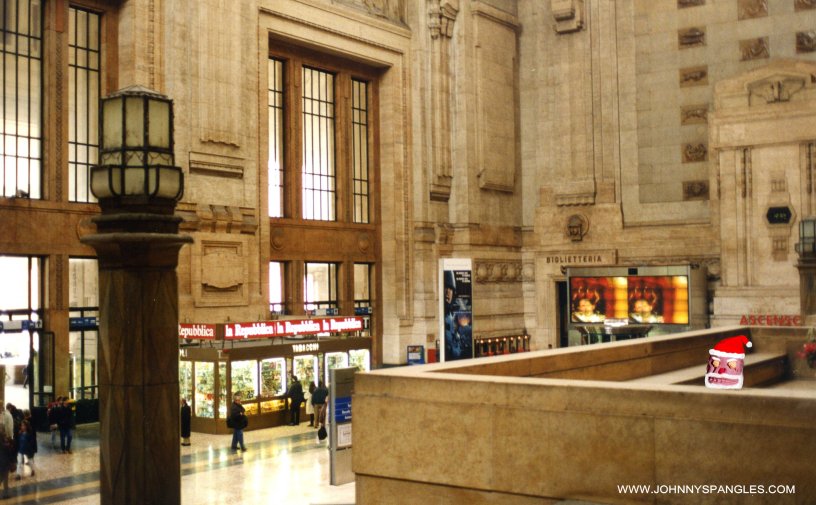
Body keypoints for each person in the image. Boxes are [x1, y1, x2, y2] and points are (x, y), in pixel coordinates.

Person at [0, 425, 13, 499]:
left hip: (3, 460)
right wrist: (8, 445)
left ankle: (6, 493)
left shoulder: (3, 437)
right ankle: (6, 494)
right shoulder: (2, 437)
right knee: (4, 477)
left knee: (4, 477)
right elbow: (4, 448)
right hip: (4, 460)